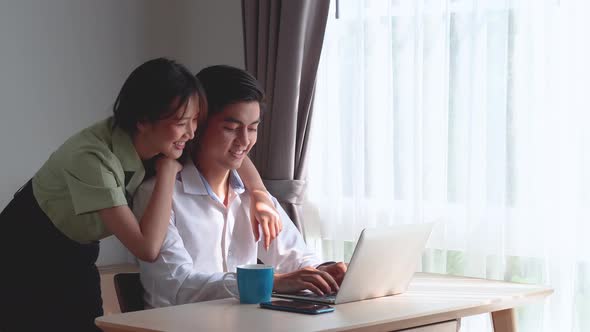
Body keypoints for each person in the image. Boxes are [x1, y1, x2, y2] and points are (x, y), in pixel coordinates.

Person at [0, 58, 281, 332]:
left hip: (78, 248)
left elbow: (234, 151)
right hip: (24, 248)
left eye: (196, 120)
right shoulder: (92, 160)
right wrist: (168, 173)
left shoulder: (161, 136)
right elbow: (146, 248)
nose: (192, 132)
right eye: (183, 122)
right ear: (143, 120)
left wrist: (258, 192)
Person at [133, 65, 347, 308]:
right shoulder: (158, 194)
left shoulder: (254, 197)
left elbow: (295, 258)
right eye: (231, 128)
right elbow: (178, 287)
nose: (245, 141)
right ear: (197, 125)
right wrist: (272, 282)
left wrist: (324, 272)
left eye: (253, 128)